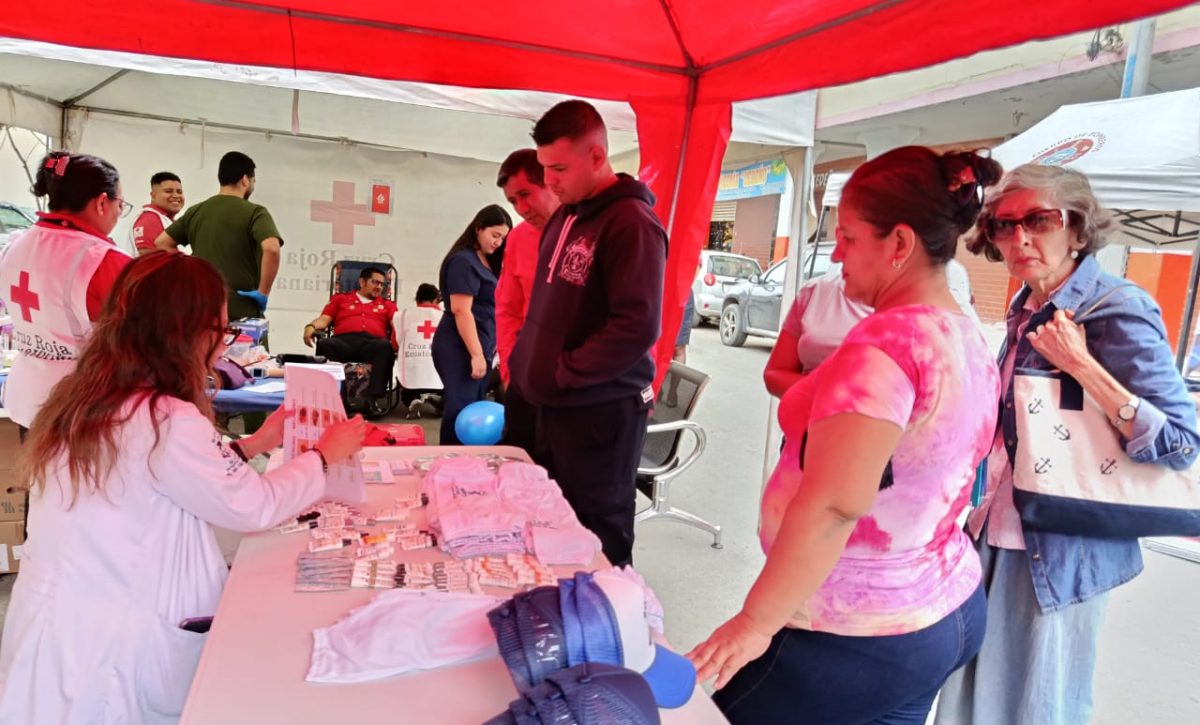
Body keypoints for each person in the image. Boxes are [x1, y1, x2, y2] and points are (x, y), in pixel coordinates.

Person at [687, 147, 1004, 724]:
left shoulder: (884, 350)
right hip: (942, 606)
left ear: (899, 243)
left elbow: (835, 505)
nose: (836, 254)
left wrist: (755, 622)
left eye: (850, 238)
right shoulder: (962, 333)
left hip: (858, 629)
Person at [0, 252, 366, 724]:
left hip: (61, 621)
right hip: (117, 640)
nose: (223, 345)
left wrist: (257, 442)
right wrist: (324, 456)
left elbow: (168, 475)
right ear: (185, 331)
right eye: (221, 330)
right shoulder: (164, 418)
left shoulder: (84, 396)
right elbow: (252, 506)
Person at [934, 165, 1200, 725]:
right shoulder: (1026, 306)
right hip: (992, 529)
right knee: (967, 699)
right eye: (1004, 225)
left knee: (1035, 708)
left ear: (1076, 229)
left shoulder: (1116, 308)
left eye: (1039, 220)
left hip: (1058, 549)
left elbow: (1181, 442)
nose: (1020, 238)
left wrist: (1081, 366)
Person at [508, 100, 666, 568]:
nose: (550, 180)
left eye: (559, 168)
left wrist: (564, 372)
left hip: (600, 413)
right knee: (555, 523)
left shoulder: (632, 223)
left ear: (597, 156)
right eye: (545, 168)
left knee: (599, 530)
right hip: (555, 406)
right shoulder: (566, 216)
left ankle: (611, 608)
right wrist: (527, 363)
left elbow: (636, 326)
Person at [0, 151, 132, 435]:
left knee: (35, 466)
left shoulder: (14, 246)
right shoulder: (107, 262)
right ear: (102, 202)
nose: (119, 212)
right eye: (120, 204)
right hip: (83, 409)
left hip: (28, 398)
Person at [154, 151, 282, 322]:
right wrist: (263, 293)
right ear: (245, 179)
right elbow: (272, 249)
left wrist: (191, 269)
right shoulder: (255, 212)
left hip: (201, 308)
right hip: (240, 312)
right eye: (253, 181)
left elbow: (162, 243)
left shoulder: (196, 211)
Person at [496, 148, 561, 454]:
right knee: (520, 463)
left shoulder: (588, 231)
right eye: (512, 201)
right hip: (526, 377)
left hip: (574, 386)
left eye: (525, 194)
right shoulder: (518, 238)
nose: (520, 208)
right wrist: (510, 373)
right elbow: (507, 309)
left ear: (551, 182)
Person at [431, 205, 511, 444]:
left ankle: (468, 461)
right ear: (478, 228)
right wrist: (476, 354)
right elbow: (461, 310)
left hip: (481, 344)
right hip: (459, 345)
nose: (498, 242)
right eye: (495, 235)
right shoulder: (463, 261)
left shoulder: (486, 261)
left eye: (503, 238)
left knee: (473, 405)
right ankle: (450, 459)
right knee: (460, 407)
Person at [303, 266, 398, 416]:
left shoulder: (387, 305)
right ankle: (337, 399)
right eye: (375, 282)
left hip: (372, 344)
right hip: (344, 342)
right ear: (362, 282)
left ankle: (371, 400)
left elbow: (397, 325)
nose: (379, 287)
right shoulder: (340, 299)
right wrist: (311, 326)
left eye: (382, 284)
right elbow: (324, 319)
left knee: (386, 346)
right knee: (325, 344)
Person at [131, 172, 185, 256]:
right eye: (168, 191)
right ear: (153, 195)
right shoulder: (150, 219)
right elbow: (148, 259)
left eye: (179, 192)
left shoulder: (164, 219)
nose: (175, 195)